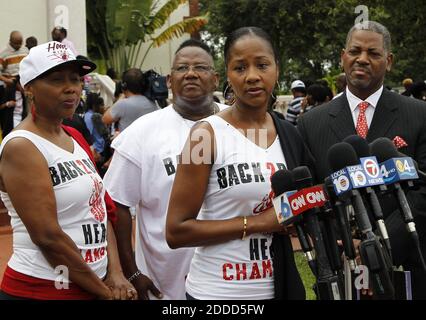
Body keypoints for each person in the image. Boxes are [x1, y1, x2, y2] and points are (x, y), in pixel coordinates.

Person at [166, 27, 312, 300]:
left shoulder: (290, 134)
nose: (253, 76)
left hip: (278, 287)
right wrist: (258, 222)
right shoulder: (204, 135)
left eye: (262, 64)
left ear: (277, 70)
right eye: (240, 67)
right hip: (217, 293)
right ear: (228, 75)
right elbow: (176, 231)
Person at [297, 21, 426, 299]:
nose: (363, 59)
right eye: (355, 51)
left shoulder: (419, 115)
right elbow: (310, 195)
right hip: (341, 267)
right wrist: (341, 241)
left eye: (373, 53)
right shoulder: (311, 123)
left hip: (407, 263)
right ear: (343, 56)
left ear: (388, 61)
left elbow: (422, 191)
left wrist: (375, 243)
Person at [0, 41, 136, 300]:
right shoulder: (22, 147)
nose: (71, 88)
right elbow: (48, 237)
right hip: (43, 290)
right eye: (56, 79)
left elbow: (99, 208)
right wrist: (104, 294)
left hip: (92, 283)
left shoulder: (73, 136)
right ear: (29, 88)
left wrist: (116, 272)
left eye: (75, 79)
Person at [103, 39, 228, 300]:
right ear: (170, 81)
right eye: (182, 68)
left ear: (215, 79)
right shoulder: (141, 132)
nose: (191, 73)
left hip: (231, 279)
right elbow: (116, 204)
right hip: (167, 285)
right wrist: (132, 272)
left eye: (200, 68)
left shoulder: (240, 124)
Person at [102, 68, 158, 133]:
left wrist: (120, 98)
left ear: (124, 86)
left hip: (129, 142)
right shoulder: (153, 103)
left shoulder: (123, 104)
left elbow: (105, 119)